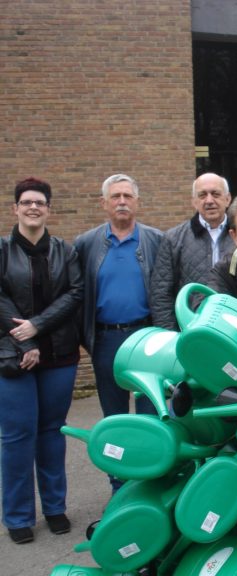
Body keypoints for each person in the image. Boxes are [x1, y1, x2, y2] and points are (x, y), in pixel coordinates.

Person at [0, 178, 83, 543]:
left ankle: (54, 508)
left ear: (48, 209)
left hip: (59, 357)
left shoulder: (65, 251)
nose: (33, 207)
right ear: (15, 208)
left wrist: (38, 325)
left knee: (52, 433)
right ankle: (18, 516)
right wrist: (25, 340)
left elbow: (75, 292)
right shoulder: (2, 251)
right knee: (17, 437)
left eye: (40, 203)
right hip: (12, 357)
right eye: (26, 202)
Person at [74, 174, 163, 492]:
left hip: (145, 341)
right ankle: (119, 486)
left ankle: (149, 482)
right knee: (113, 419)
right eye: (115, 196)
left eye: (127, 195)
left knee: (149, 416)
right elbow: (76, 294)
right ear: (104, 203)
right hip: (106, 341)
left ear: (137, 201)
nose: (122, 201)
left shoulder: (155, 240)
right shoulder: (86, 244)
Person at [150, 172, 235, 330]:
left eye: (216, 194)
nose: (209, 200)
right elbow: (161, 294)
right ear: (194, 202)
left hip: (234, 328)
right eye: (202, 195)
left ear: (228, 199)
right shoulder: (173, 239)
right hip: (191, 328)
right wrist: (171, 335)